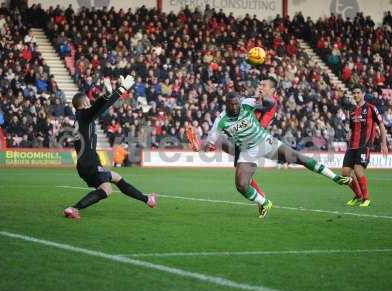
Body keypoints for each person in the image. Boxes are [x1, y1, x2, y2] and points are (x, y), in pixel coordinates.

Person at [190, 92, 352, 218]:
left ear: (240, 102)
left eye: (236, 103)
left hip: (265, 141)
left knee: (299, 158)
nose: (234, 107)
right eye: (231, 104)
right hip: (247, 152)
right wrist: (201, 147)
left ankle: (335, 178)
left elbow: (271, 103)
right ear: (226, 105)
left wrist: (264, 98)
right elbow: (211, 144)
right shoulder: (221, 121)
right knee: (241, 185)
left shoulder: (247, 103)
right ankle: (264, 202)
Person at [64, 76, 157, 219]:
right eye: (88, 102)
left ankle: (147, 199)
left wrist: (119, 90)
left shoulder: (81, 117)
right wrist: (110, 93)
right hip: (90, 163)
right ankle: (73, 208)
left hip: (86, 164)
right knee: (107, 190)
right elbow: (100, 106)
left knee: (117, 178)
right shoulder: (85, 115)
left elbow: (102, 106)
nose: (90, 103)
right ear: (83, 104)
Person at [342, 85, 388, 207]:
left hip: (364, 145)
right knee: (345, 173)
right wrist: (349, 135)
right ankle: (358, 196)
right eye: (354, 93)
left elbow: (381, 125)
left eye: (358, 92)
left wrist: (384, 143)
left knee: (358, 170)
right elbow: (352, 128)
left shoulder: (371, 108)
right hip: (352, 145)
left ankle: (366, 198)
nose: (355, 95)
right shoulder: (351, 111)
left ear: (363, 94)